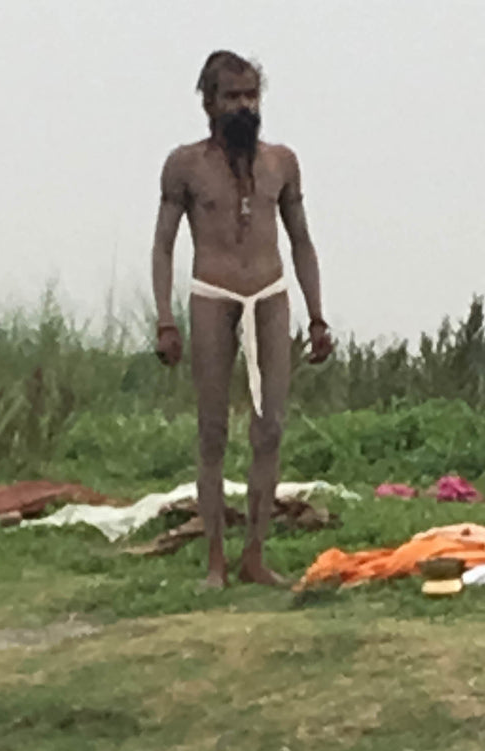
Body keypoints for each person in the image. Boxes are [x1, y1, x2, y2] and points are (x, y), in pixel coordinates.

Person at [152, 50, 333, 588]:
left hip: (270, 294)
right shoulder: (185, 165)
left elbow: (301, 240)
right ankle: (214, 560)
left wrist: (318, 316)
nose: (243, 106)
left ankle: (255, 553)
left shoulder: (281, 162)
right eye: (231, 96)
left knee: (269, 428)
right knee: (211, 431)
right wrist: (165, 319)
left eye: (250, 95)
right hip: (211, 294)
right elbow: (163, 246)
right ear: (209, 102)